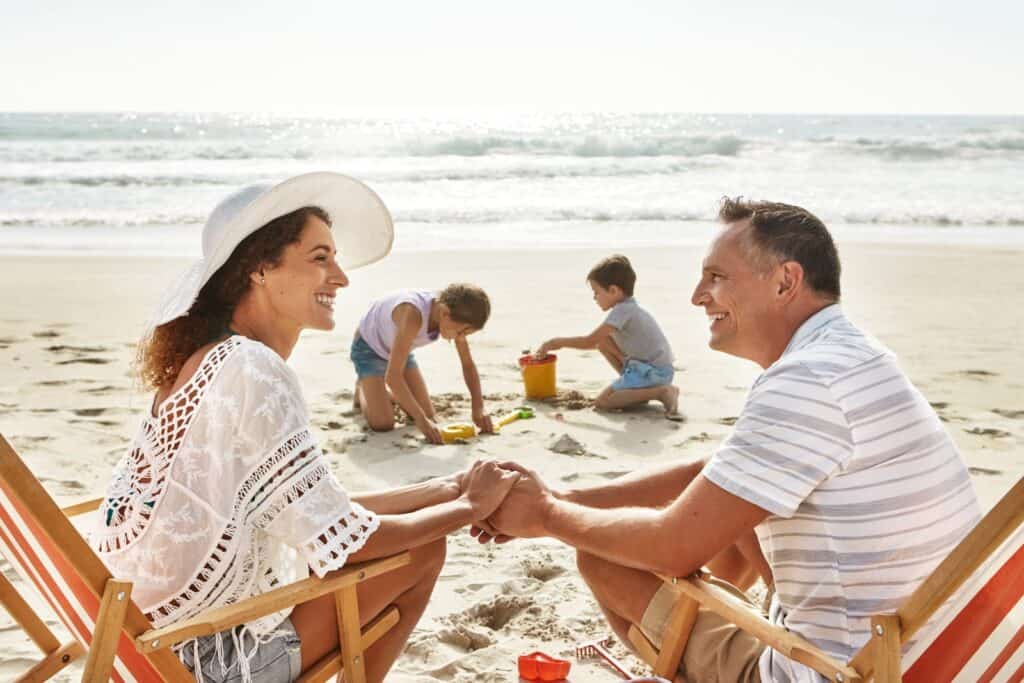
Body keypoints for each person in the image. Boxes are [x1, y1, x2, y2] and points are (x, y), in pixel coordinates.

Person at [482, 199, 981, 683]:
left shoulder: (804, 382)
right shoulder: (852, 355)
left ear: (786, 281)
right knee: (733, 501)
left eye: (717, 277)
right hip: (925, 648)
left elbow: (669, 547)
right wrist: (564, 498)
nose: (699, 295)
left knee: (604, 558)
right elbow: (717, 470)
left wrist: (546, 517)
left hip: (839, 671)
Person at [88, 173, 520, 683]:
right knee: (420, 549)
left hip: (135, 645)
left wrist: (444, 489)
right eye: (320, 258)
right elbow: (350, 543)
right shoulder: (253, 370)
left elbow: (308, 510)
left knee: (396, 539)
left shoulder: (207, 362)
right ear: (259, 268)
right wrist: (470, 508)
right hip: (201, 664)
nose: (340, 277)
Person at [535, 254, 681, 418]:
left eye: (596, 292)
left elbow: (588, 341)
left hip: (653, 373)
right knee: (603, 341)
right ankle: (637, 390)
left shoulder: (622, 311)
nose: (594, 298)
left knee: (603, 402)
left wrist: (556, 342)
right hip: (654, 368)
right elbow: (597, 343)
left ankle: (661, 392)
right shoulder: (628, 307)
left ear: (613, 290)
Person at [352, 284, 494, 444]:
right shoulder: (412, 314)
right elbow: (392, 377)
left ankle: (383, 392)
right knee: (383, 423)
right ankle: (362, 387)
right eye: (461, 332)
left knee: (427, 413)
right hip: (369, 349)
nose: (460, 337)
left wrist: (478, 408)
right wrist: (422, 423)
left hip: (399, 350)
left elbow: (467, 364)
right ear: (444, 313)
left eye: (466, 334)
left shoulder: (453, 315)